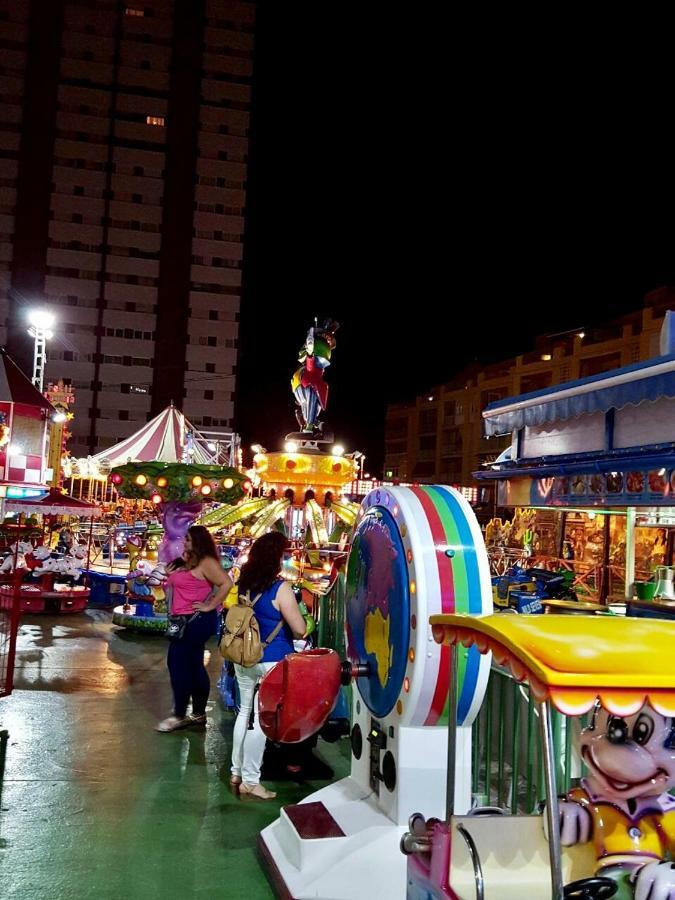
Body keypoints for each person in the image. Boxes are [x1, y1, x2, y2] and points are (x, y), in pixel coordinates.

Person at [230, 532, 306, 800]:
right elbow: (299, 629)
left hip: (244, 657)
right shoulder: (280, 588)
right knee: (260, 723)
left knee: (245, 714)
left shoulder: (245, 584)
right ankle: (250, 781)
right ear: (277, 558)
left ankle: (235, 772)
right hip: (271, 662)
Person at [155, 525, 233, 733]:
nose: (184, 542)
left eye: (188, 539)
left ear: (198, 541)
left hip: (195, 620)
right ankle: (198, 713)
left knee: (178, 663)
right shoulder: (187, 562)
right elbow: (173, 588)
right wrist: (167, 577)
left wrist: (210, 605)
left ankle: (179, 714)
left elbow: (226, 583)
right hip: (182, 619)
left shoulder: (207, 562)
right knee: (194, 665)